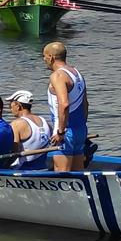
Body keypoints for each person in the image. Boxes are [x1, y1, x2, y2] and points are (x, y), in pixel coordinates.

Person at [43, 41, 90, 170]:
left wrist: (60, 131)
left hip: (65, 132)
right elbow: (85, 104)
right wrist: (82, 126)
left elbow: (64, 104)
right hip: (80, 130)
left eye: (44, 56)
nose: (44, 60)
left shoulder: (57, 75)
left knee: (62, 174)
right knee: (78, 174)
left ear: (51, 57)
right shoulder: (77, 73)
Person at [1, 89, 56, 170]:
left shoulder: (17, 124)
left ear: (18, 106)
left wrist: (3, 167)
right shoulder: (45, 122)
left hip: (24, 169)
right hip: (43, 168)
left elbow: (13, 152)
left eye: (10, 105)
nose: (10, 109)